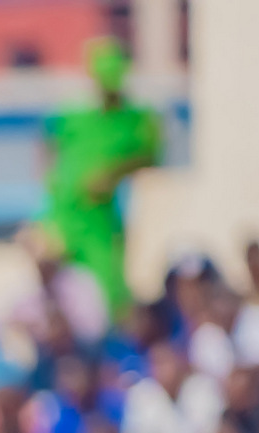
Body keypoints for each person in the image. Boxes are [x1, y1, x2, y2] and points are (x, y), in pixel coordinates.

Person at [38, 38, 162, 316]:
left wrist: (113, 172)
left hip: (102, 224)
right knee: (61, 296)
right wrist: (49, 193)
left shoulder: (133, 119)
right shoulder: (73, 115)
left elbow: (150, 153)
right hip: (65, 217)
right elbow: (46, 143)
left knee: (107, 292)